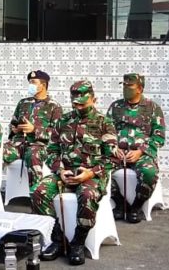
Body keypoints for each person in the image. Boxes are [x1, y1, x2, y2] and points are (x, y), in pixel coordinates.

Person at [31, 80, 117, 265]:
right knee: (38, 191)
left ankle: (78, 242)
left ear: (94, 99)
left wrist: (91, 173)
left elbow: (112, 158)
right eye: (75, 103)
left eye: (83, 103)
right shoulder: (63, 120)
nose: (78, 107)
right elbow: (51, 150)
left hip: (91, 175)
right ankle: (57, 239)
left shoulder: (105, 123)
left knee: (87, 195)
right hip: (65, 173)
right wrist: (60, 170)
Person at [106, 73, 166, 224]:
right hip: (118, 152)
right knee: (98, 168)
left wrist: (141, 151)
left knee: (149, 172)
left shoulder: (153, 108)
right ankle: (120, 203)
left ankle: (136, 207)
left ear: (139, 88)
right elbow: (107, 131)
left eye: (129, 86)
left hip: (141, 153)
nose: (126, 88)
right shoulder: (115, 106)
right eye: (124, 85)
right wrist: (113, 147)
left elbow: (159, 137)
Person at [2, 70, 63, 191]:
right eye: (29, 82)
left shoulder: (54, 106)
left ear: (43, 85)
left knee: (33, 155)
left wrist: (34, 130)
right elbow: (12, 123)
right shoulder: (23, 103)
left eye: (33, 82)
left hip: (39, 145)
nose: (31, 85)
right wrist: (14, 129)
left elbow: (57, 134)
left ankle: (36, 194)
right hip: (19, 143)